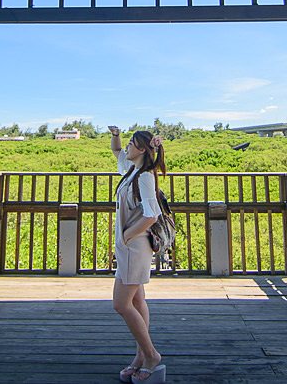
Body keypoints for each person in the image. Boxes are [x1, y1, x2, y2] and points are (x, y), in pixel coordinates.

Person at [109, 125, 167, 383]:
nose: (128, 148)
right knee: (137, 302)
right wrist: (116, 135)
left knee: (121, 304)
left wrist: (127, 235)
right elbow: (117, 151)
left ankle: (152, 355)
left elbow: (151, 214)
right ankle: (140, 357)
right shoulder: (131, 170)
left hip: (135, 247)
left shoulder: (144, 176)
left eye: (132, 143)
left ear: (142, 149)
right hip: (128, 247)